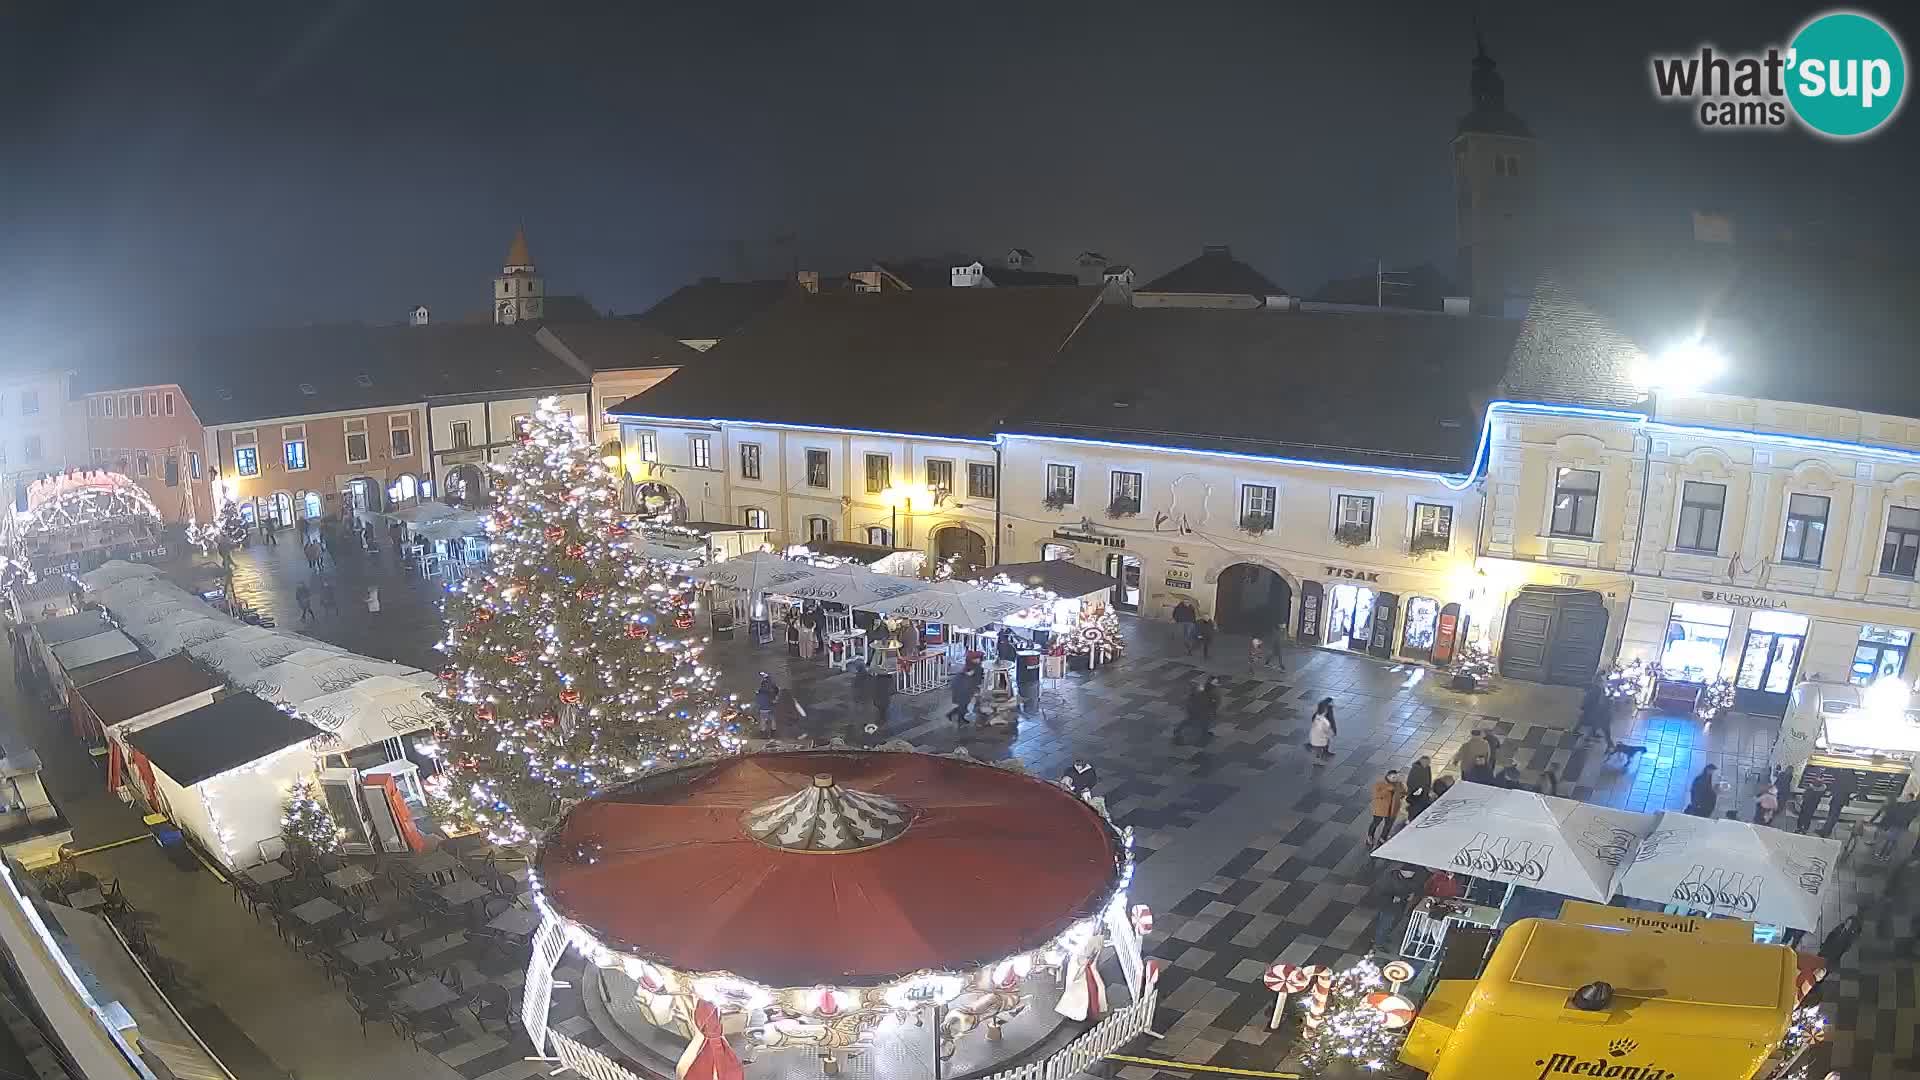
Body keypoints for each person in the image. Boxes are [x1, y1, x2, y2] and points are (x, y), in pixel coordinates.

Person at [1371, 864, 1422, 953]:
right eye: (1411, 872)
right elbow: (1379, 892)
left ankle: (1383, 937)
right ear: (1404, 872)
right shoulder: (1389, 879)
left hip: (1400, 905)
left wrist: (1411, 894)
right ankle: (1378, 943)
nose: (1413, 874)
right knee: (1384, 924)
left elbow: (1412, 887)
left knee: (1392, 923)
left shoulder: (1408, 879)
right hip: (1388, 905)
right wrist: (1392, 898)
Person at [1870, 793, 1920, 860]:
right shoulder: (1913, 805)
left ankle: (1882, 854)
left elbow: (1899, 813)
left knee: (1889, 840)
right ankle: (1885, 855)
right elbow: (1913, 816)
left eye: (1907, 797)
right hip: (1902, 824)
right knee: (1892, 840)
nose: (1906, 798)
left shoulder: (1909, 804)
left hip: (1898, 823)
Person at [1177, 677, 1220, 745]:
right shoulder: (1206, 693)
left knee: (1202, 722)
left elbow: (1213, 703)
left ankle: (1204, 733)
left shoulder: (1206, 692)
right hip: (1198, 711)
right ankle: (1178, 730)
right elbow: (1214, 703)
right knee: (1193, 721)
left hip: (1200, 711)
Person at [1368, 770, 1406, 846]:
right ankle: (1370, 836)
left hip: (1393, 809)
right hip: (1381, 809)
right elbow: (1377, 795)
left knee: (1388, 825)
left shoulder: (1400, 784)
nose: (1396, 779)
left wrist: (1401, 794)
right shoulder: (1380, 784)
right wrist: (1387, 789)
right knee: (1375, 823)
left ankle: (1383, 837)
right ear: (1388, 777)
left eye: (1397, 777)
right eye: (1394, 777)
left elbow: (1404, 792)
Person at [1308, 697, 1336, 763]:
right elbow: (1331, 719)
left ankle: (1324, 752)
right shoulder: (1327, 709)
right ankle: (1318, 758)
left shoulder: (1323, 709)